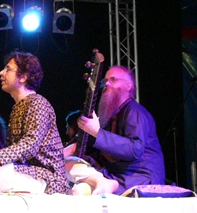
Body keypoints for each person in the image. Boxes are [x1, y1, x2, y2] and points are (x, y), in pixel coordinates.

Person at [0, 51, 72, 195]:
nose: (1, 73)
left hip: (51, 180)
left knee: (2, 171)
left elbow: (30, 144)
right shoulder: (18, 108)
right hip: (28, 174)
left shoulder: (38, 103)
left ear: (23, 77)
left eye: (8, 69)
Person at [64, 65, 165, 195]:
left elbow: (134, 149)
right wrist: (73, 149)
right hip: (116, 175)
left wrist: (96, 132)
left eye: (113, 79)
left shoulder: (135, 112)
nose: (106, 84)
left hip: (140, 177)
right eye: (105, 80)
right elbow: (104, 150)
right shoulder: (112, 116)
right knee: (71, 172)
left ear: (128, 86)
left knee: (81, 191)